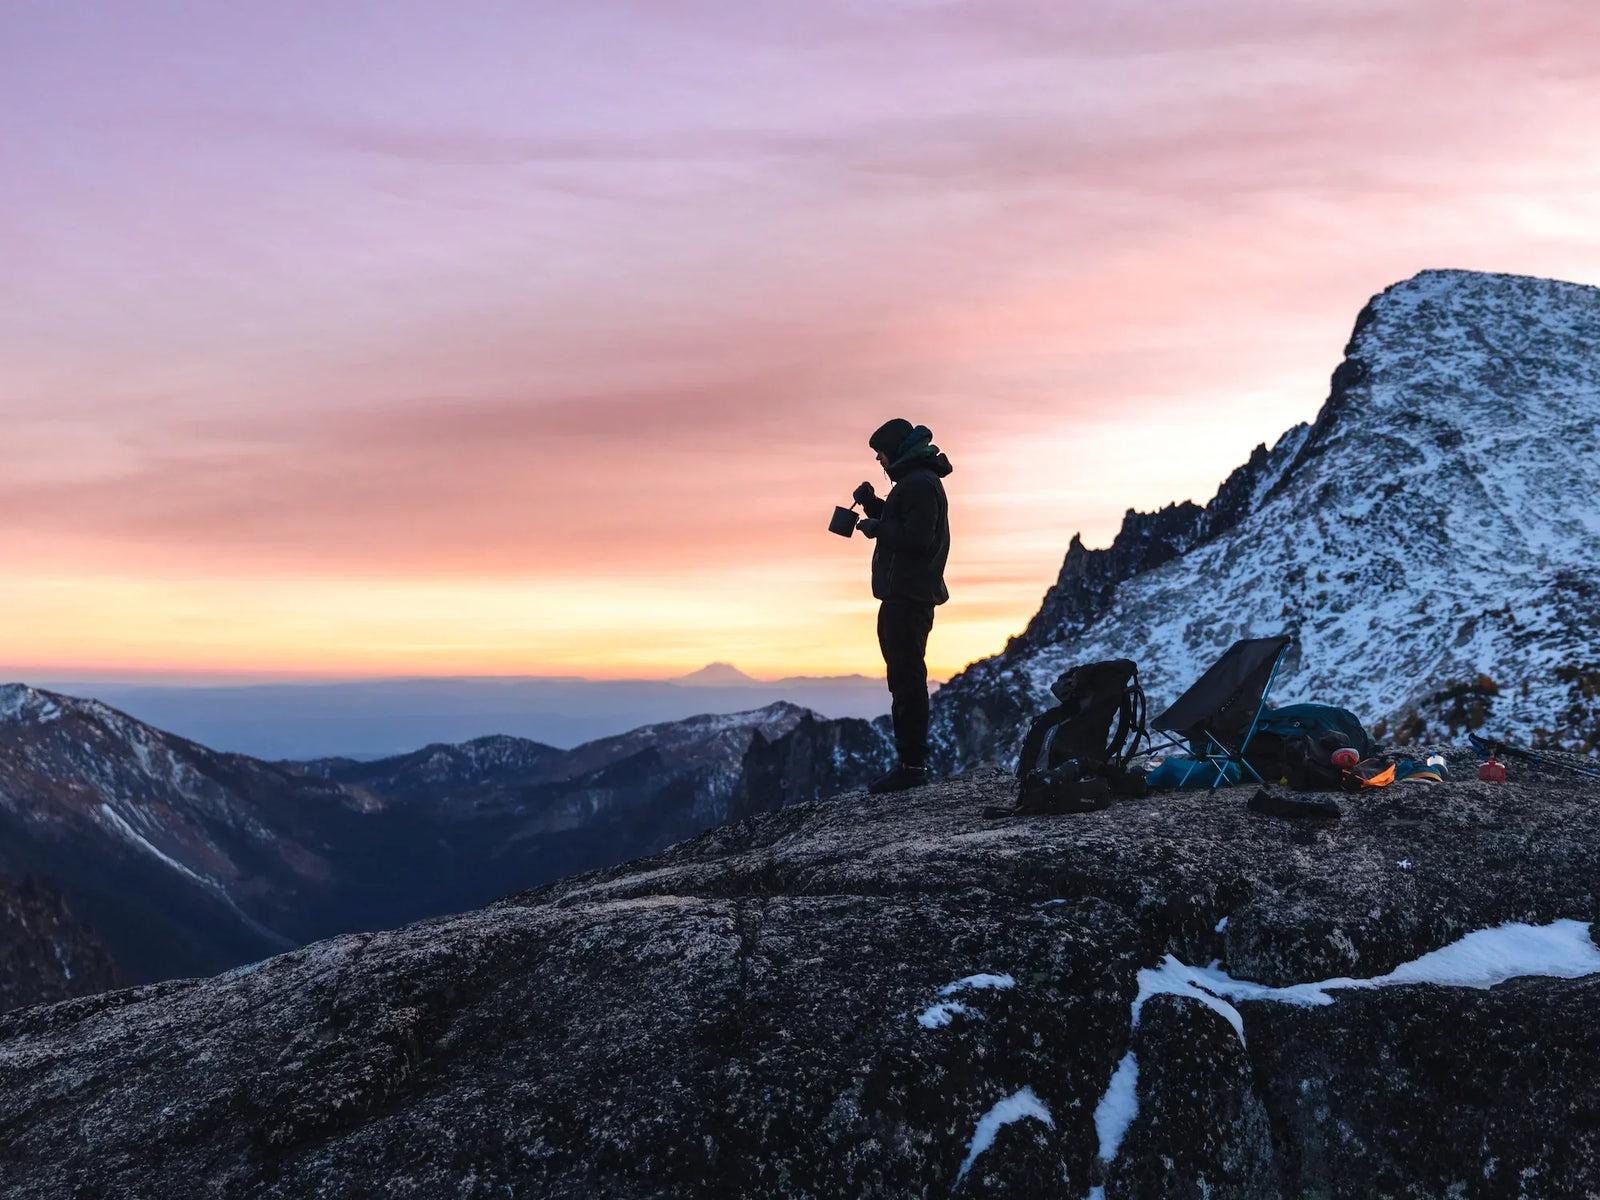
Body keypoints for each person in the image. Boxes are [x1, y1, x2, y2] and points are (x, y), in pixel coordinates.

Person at [853, 418, 952, 793]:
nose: (878, 460)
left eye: (880, 452)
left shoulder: (920, 485)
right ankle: (909, 763)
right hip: (904, 598)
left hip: (909, 599)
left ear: (893, 450)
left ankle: (912, 766)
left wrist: (877, 529)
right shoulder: (916, 483)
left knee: (907, 680)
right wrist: (873, 505)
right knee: (903, 677)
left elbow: (917, 538)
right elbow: (906, 525)